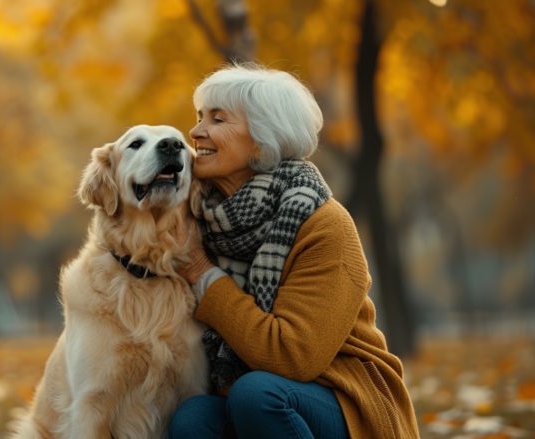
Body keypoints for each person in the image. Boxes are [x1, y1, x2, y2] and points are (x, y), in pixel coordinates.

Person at [170, 63, 420, 439]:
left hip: (347, 398)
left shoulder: (322, 223)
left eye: (217, 119)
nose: (195, 131)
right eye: (200, 116)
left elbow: (292, 357)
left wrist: (203, 274)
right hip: (259, 390)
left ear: (262, 139)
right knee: (192, 417)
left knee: (256, 396)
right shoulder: (204, 215)